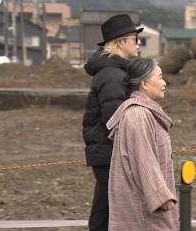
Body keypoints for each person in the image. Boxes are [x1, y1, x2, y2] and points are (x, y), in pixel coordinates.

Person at [82, 14, 143, 231]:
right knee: (119, 211)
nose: (139, 44)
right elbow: (117, 119)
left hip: (106, 153)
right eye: (135, 39)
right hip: (111, 154)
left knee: (104, 211)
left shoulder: (114, 72)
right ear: (121, 43)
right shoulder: (112, 76)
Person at [106, 58, 179, 231]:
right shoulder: (138, 115)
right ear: (144, 84)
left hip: (148, 208)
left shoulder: (143, 113)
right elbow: (144, 159)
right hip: (145, 212)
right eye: (160, 77)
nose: (164, 83)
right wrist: (160, 196)